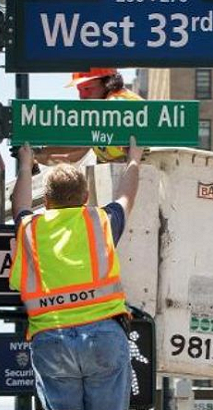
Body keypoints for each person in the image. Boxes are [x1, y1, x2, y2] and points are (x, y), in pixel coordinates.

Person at [9, 137, 142, 410]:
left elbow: (19, 205)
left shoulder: (31, 230)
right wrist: (134, 159)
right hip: (104, 334)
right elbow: (126, 196)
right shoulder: (101, 222)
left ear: (45, 201)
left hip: (51, 338)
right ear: (85, 197)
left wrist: (25, 166)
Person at [34, 68, 144, 165]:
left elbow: (78, 142)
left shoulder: (116, 103)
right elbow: (77, 152)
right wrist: (37, 155)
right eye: (79, 90)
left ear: (108, 83)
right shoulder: (98, 113)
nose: (82, 96)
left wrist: (40, 151)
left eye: (87, 89)